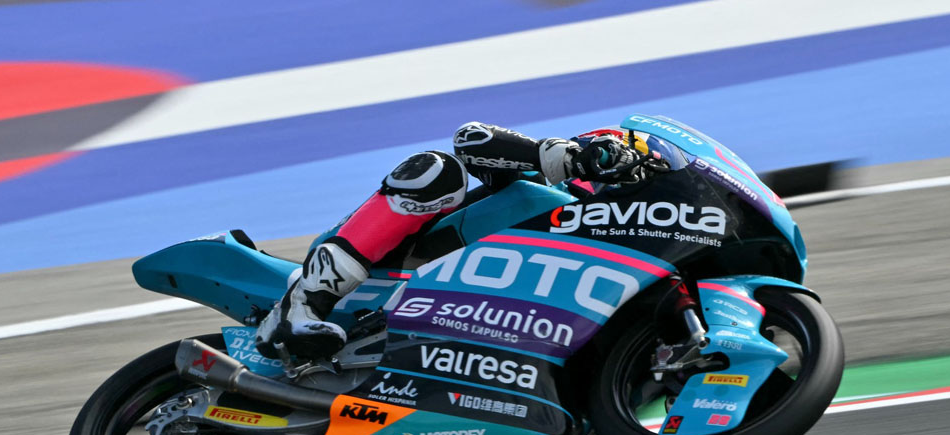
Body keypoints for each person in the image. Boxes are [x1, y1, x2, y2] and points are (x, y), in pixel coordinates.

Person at [256, 122, 655, 360]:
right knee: (438, 169)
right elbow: (472, 137)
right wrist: (571, 158)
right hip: (390, 264)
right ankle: (301, 305)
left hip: (470, 321)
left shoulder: (617, 260)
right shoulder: (541, 184)